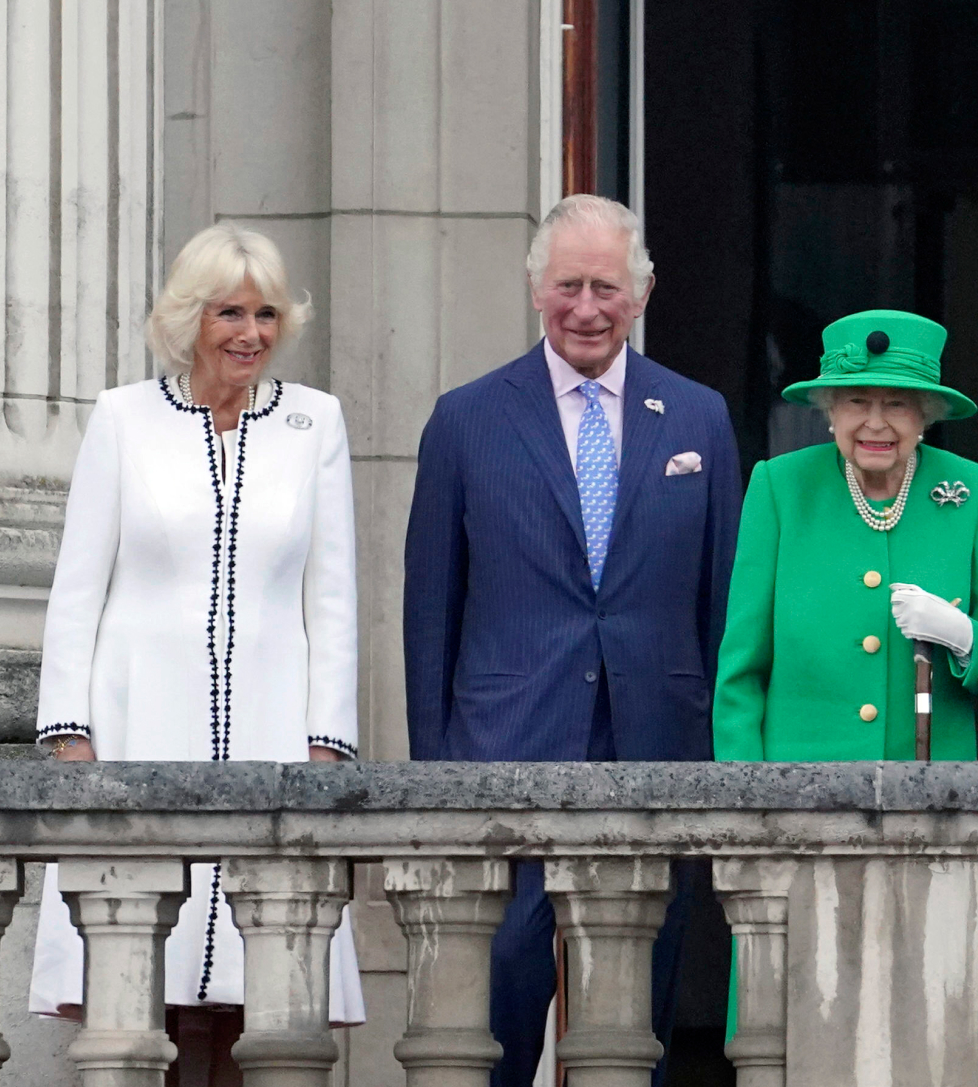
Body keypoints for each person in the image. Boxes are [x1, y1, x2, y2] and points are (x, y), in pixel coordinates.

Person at [403, 194, 742, 1086]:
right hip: (503, 745)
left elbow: (724, 606)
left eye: (605, 286)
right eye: (567, 286)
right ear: (533, 289)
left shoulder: (700, 417)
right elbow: (430, 608)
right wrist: (433, 773)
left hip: (656, 746)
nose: (586, 308)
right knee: (504, 987)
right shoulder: (466, 418)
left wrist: (718, 755)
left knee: (637, 1005)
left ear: (642, 292)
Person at [29, 223, 367, 1071]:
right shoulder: (123, 419)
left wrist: (327, 741)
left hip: (271, 727)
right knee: (144, 984)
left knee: (263, 992)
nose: (249, 333)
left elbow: (331, 597)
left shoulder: (312, 421)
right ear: (190, 318)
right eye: (229, 312)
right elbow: (78, 587)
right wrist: (69, 731)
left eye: (264, 313)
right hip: (140, 720)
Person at [714, 309, 978, 760]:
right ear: (831, 410)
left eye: (897, 403)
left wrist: (964, 637)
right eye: (857, 401)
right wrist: (745, 797)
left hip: (928, 797)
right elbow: (741, 672)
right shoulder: (781, 488)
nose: (876, 423)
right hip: (798, 795)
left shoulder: (976, 493)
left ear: (926, 415)